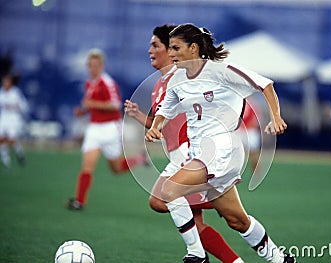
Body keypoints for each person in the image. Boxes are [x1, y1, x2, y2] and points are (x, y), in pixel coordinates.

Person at [145, 23, 295, 263]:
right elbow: (167, 107)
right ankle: (281, 260)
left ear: (193, 48)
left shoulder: (221, 71)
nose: (170, 53)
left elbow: (265, 84)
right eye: (169, 48)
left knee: (169, 192)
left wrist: (276, 116)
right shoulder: (177, 79)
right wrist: (155, 126)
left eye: (175, 48)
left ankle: (197, 254)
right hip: (201, 155)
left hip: (222, 150)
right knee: (237, 220)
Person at [124, 24, 243, 263]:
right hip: (179, 154)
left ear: (170, 51)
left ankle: (218, 198)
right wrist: (143, 119)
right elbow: (164, 122)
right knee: (196, 224)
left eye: (156, 45)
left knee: (159, 199)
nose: (150, 50)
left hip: (189, 154)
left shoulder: (181, 79)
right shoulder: (161, 84)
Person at [67, 48, 147, 210]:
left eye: (96, 65)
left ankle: (139, 159)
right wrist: (82, 111)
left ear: (101, 66)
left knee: (116, 169)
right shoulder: (89, 83)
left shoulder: (107, 82)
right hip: (94, 128)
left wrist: (92, 104)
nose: (93, 68)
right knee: (87, 164)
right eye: (90, 65)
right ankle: (79, 201)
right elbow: (90, 105)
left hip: (110, 128)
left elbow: (115, 104)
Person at [0, 73, 28, 168]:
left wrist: (13, 107)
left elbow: (23, 106)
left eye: (7, 81)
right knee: (1, 139)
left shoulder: (15, 93)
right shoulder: (2, 93)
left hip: (13, 119)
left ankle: (19, 153)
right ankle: (6, 161)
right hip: (4, 118)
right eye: (4, 81)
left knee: (11, 140)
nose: (5, 83)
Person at [237, 100, 262, 173]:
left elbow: (255, 120)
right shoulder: (235, 104)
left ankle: (256, 171)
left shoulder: (251, 105)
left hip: (249, 130)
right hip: (240, 130)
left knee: (253, 153)